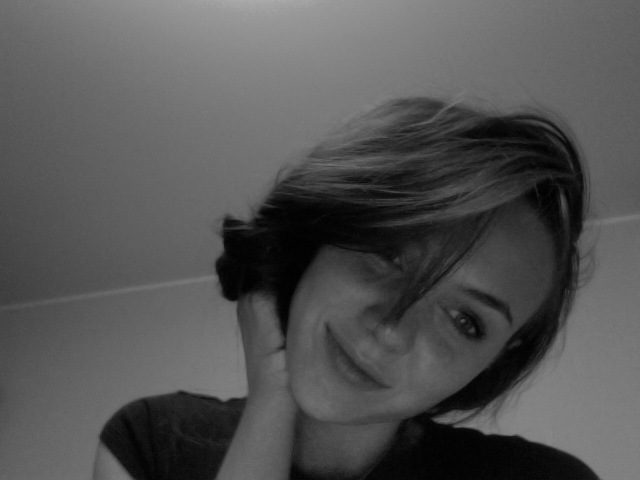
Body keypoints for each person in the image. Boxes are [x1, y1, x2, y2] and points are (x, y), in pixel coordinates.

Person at [93, 97, 599, 479]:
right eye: (388, 253)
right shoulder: (152, 440)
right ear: (317, 236)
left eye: (466, 321)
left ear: (494, 360)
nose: (391, 330)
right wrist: (271, 402)